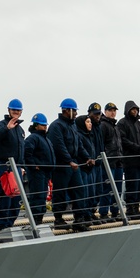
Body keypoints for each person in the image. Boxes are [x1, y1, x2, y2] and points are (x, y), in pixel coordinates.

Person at [48, 98, 90, 231]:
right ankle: (58, 219)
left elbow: (79, 144)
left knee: (79, 190)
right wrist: (68, 161)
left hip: (74, 164)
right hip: (62, 165)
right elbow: (59, 146)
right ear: (67, 110)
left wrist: (87, 157)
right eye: (74, 111)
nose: (76, 114)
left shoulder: (72, 126)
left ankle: (79, 219)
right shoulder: (56, 126)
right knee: (60, 192)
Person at [0, 99, 25, 231]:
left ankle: (9, 225)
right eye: (14, 110)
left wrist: (22, 167)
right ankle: (2, 227)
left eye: (18, 110)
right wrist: (6, 128)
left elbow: (22, 150)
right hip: (5, 167)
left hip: (17, 168)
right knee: (5, 199)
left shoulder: (20, 129)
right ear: (8, 110)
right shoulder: (2, 124)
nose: (16, 112)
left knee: (16, 201)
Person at [117, 101, 140, 218]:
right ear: (127, 110)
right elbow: (123, 140)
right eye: (132, 109)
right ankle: (130, 208)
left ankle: (136, 208)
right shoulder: (122, 123)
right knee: (132, 185)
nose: (135, 111)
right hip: (130, 161)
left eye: (136, 109)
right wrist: (138, 147)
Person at [23, 113, 54, 227]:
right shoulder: (33, 138)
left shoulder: (45, 139)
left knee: (42, 196)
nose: (45, 127)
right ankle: (36, 219)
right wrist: (33, 165)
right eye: (42, 125)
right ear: (36, 125)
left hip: (45, 172)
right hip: (37, 172)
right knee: (37, 195)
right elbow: (27, 153)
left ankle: (40, 218)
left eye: (45, 125)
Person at [99, 103, 124, 218]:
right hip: (109, 161)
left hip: (118, 161)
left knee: (117, 189)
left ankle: (115, 211)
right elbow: (101, 144)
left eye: (114, 110)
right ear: (105, 111)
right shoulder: (103, 125)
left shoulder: (115, 126)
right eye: (110, 110)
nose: (113, 112)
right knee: (107, 189)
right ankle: (104, 213)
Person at [86, 103, 109, 221]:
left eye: (99, 114)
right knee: (91, 190)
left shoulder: (99, 127)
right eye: (95, 114)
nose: (97, 116)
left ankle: (93, 210)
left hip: (99, 163)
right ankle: (88, 212)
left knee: (98, 190)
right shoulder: (88, 127)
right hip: (91, 164)